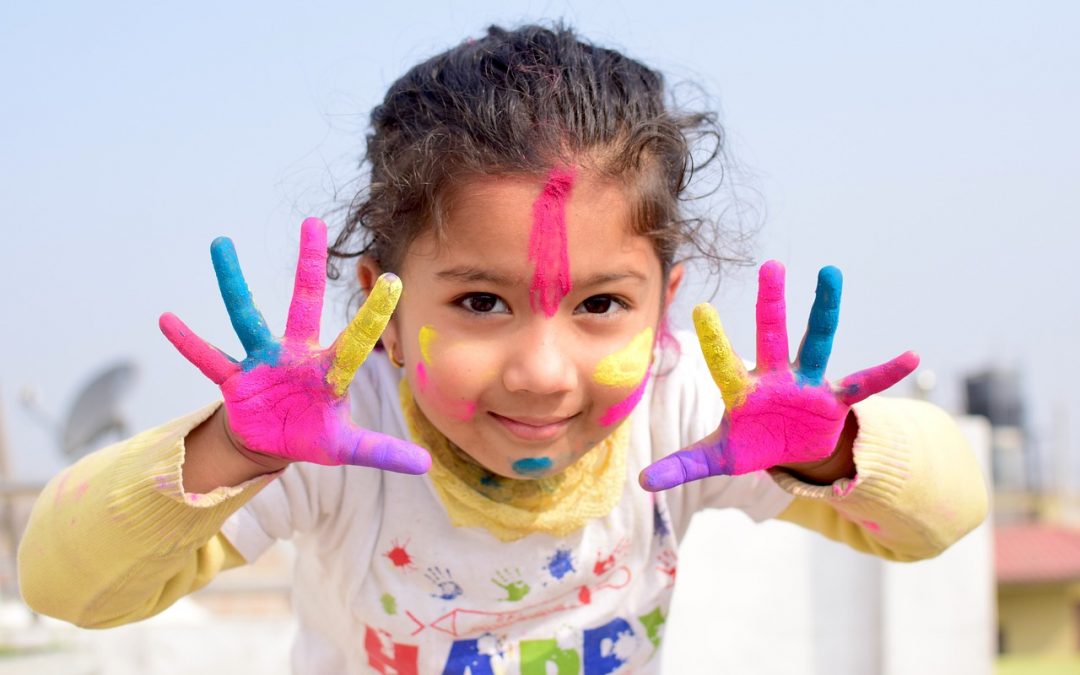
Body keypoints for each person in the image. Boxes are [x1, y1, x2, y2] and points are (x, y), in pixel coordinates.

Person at [18, 23, 987, 674]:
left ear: (665, 306)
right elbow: (67, 589)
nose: (542, 370)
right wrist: (237, 450)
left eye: (604, 304)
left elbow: (942, 518)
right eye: (481, 300)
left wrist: (831, 452)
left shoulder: (688, 413)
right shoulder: (332, 437)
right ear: (383, 312)